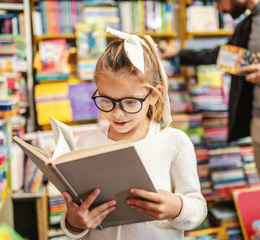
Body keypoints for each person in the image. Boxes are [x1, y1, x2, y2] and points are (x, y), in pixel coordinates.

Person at [160, 0, 260, 239]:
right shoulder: (247, 25)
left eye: (219, 1)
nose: (220, 9)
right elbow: (221, 55)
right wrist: (178, 53)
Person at [59, 27, 207, 240]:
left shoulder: (174, 142)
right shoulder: (86, 143)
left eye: (130, 102)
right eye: (106, 101)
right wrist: (74, 222)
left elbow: (198, 209)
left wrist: (176, 207)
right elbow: (75, 214)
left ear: (154, 95)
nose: (117, 114)